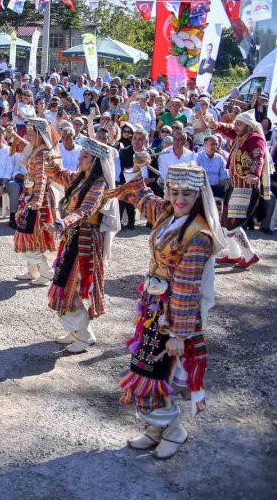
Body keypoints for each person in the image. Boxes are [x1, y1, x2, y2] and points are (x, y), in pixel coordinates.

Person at [105, 163, 225, 460]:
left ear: (198, 195)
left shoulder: (198, 235)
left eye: (187, 193)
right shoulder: (167, 212)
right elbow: (141, 196)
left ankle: (173, 431)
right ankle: (155, 429)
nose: (180, 198)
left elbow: (187, 288)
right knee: (146, 368)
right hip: (153, 307)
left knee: (160, 373)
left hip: (174, 315)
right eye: (174, 192)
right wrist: (135, 168)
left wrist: (178, 334)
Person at [42, 138, 119, 353]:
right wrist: (50, 163)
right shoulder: (80, 178)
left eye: (85, 156)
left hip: (85, 242)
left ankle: (84, 335)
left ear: (95, 161)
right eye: (81, 154)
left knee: (71, 286)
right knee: (63, 283)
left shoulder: (99, 184)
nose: (80, 158)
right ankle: (76, 330)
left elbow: (85, 211)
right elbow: (60, 176)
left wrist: (61, 222)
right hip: (72, 238)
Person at [199, 109, 270, 269]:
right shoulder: (241, 136)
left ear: (249, 126)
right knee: (225, 223)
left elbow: (258, 156)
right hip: (235, 185)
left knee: (232, 224)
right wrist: (215, 125)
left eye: (239, 123)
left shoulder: (255, 138)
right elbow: (227, 129)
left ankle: (249, 255)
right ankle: (234, 254)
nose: (235, 126)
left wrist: (254, 174)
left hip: (246, 187)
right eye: (236, 123)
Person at [6, 118, 60, 284]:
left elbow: (41, 177)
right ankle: (33, 271)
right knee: (27, 233)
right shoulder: (38, 149)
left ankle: (46, 271)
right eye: (27, 133)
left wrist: (36, 199)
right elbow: (24, 146)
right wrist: (13, 134)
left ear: (40, 135)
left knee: (28, 234)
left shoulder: (42, 154)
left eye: (30, 133)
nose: (27, 136)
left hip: (38, 199)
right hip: (31, 196)